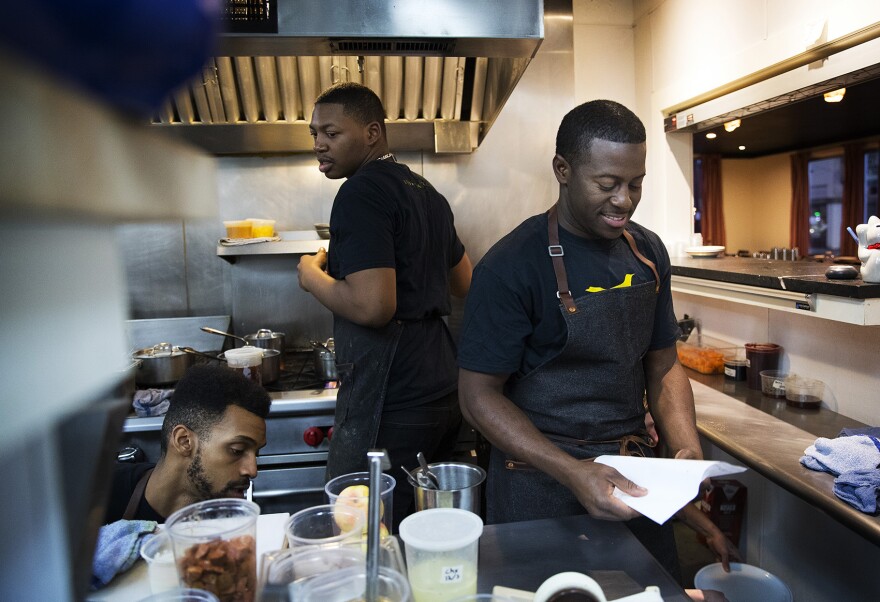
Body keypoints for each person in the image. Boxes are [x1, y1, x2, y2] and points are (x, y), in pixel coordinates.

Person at [457, 99, 702, 582]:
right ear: (563, 170)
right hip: (538, 482)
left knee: (645, 591)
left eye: (636, 184)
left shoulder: (647, 252)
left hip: (633, 477)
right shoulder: (511, 265)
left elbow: (664, 365)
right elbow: (477, 396)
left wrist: (687, 451)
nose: (624, 201)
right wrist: (573, 471)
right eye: (607, 185)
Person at [297, 82, 472, 529]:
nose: (319, 144)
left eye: (332, 133)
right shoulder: (428, 193)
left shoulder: (360, 193)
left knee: (363, 526)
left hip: (392, 395)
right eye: (314, 133)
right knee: (427, 527)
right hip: (442, 386)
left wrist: (312, 276)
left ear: (372, 133)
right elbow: (464, 281)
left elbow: (374, 306)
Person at [103, 364, 271, 523]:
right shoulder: (101, 495)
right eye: (237, 450)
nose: (252, 470)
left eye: (256, 453)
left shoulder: (230, 525)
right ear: (184, 441)